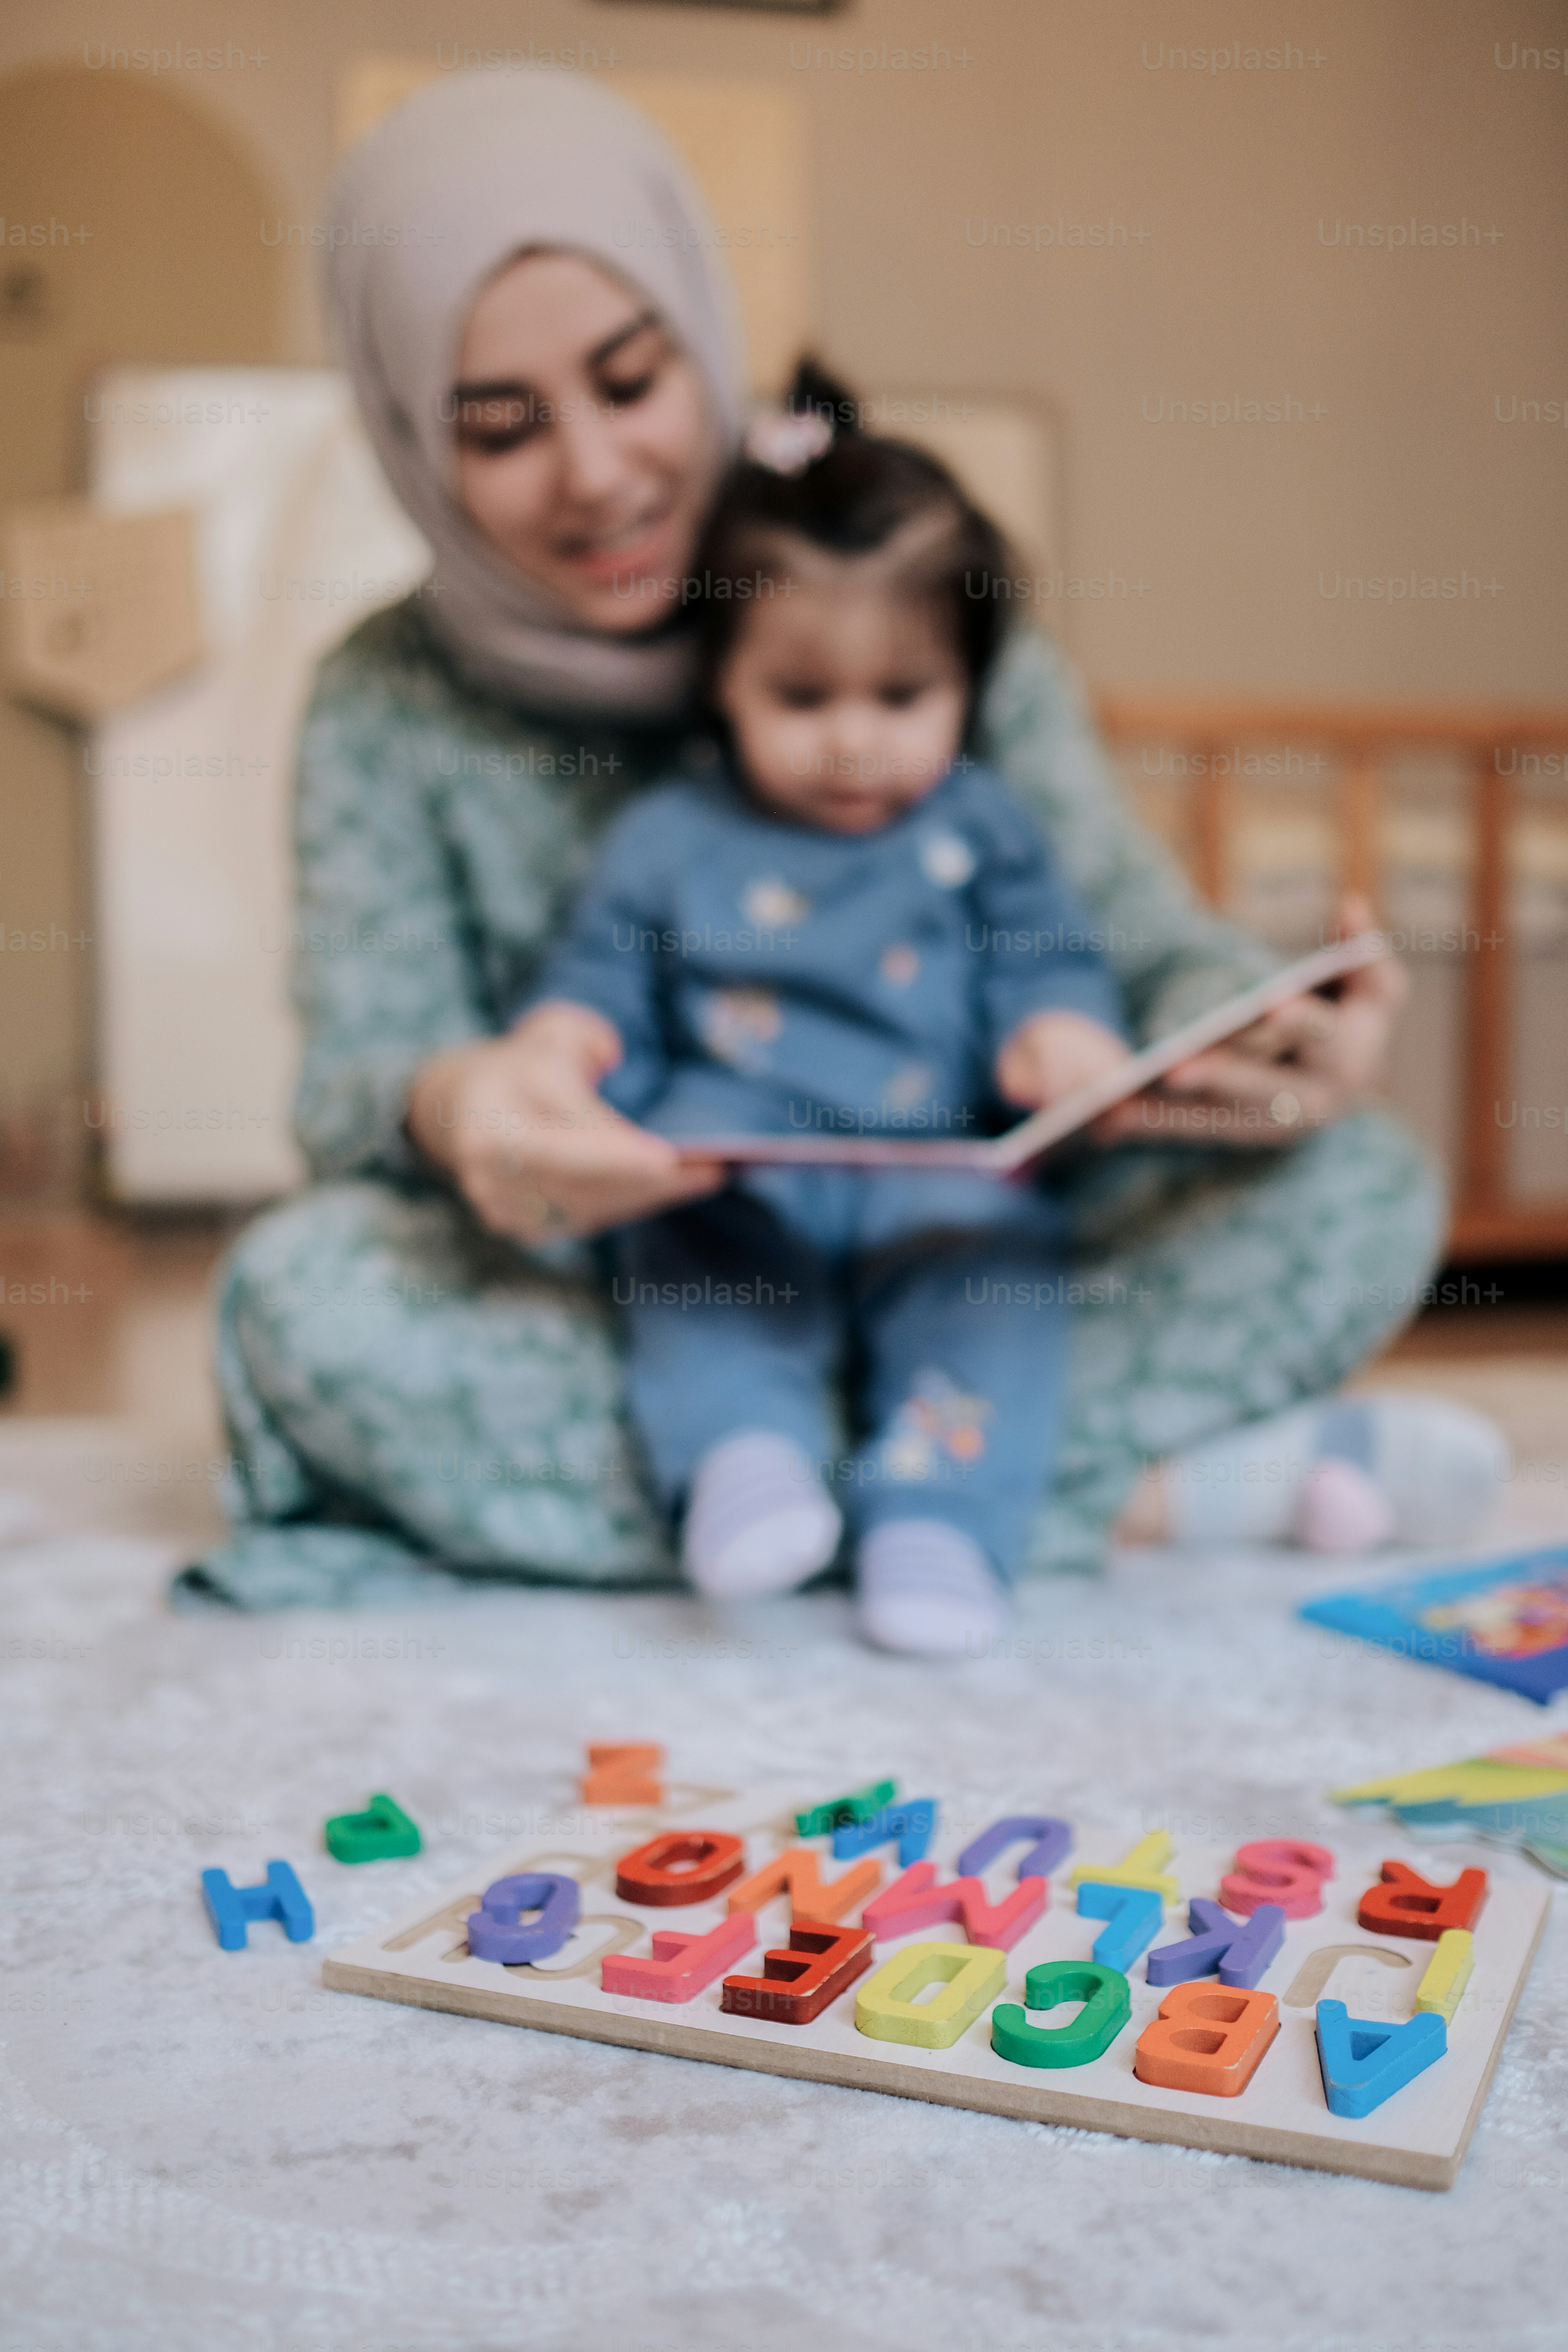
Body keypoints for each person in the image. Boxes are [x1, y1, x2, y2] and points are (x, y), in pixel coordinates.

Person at [176, 72, 1502, 1616]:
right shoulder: (386, 697)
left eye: (629, 379)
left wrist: (1256, 1036)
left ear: (703, 332)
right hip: (638, 1283)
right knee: (303, 1298)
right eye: (499, 427)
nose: (596, 472)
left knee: (1355, 1184)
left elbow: (1129, 938)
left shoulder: (898, 580)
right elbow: (354, 1085)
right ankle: (1111, 1492)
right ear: (410, 430)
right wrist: (470, 1098)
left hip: (972, 1246)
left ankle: (822, 1488)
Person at [528, 372, 1130, 1651]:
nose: (854, 742)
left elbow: (1053, 963)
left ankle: (941, 1521)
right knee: (684, 1261)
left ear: (966, 687)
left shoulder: (983, 826)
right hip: (739, 1158)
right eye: (803, 700)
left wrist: (1061, 1035)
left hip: (939, 1165)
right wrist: (565, 1044)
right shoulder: (668, 838)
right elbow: (600, 980)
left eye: (902, 697)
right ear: (723, 685)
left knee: (1000, 1284)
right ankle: (745, 1459)